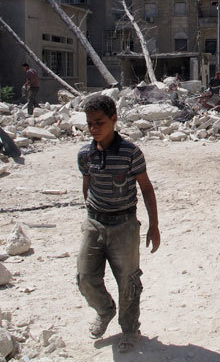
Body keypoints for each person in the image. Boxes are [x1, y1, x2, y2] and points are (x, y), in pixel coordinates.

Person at [77, 95, 160, 353]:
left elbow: (146, 189)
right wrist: (92, 214)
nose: (94, 129)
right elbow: (87, 185)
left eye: (99, 122)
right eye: (90, 123)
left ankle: (130, 328)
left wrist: (153, 226)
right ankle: (105, 310)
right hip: (94, 222)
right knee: (85, 277)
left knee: (128, 281)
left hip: (124, 225)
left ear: (114, 119)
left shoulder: (130, 153)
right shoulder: (85, 154)